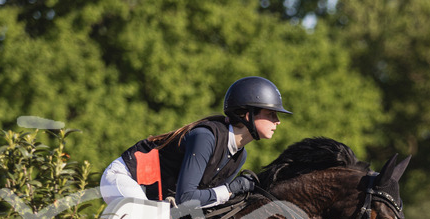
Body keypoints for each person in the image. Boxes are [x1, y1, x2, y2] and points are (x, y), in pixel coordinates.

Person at [99, 76, 290, 208]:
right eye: (271, 114)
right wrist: (230, 190)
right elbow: (186, 198)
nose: (277, 121)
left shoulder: (239, 155)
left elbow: (206, 201)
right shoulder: (206, 137)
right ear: (248, 114)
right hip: (124, 177)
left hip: (155, 196)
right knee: (147, 218)